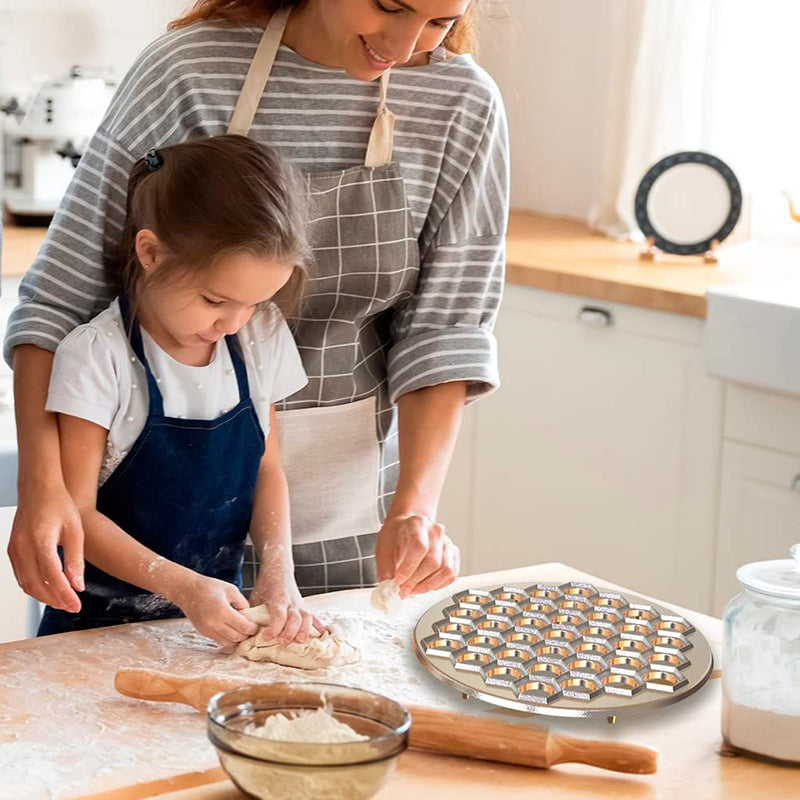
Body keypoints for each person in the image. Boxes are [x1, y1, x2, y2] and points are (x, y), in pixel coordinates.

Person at [5, 0, 509, 620]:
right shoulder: (190, 70)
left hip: (356, 517)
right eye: (390, 6)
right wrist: (42, 487)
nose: (406, 48)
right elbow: (58, 300)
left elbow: (444, 330)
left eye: (439, 22)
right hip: (141, 536)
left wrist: (414, 508)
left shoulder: (461, 103)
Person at [37, 135, 320, 647]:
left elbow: (267, 467)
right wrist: (184, 588)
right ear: (150, 252)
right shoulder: (97, 357)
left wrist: (279, 572)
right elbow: (77, 514)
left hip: (212, 627)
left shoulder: (261, 336)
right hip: (95, 629)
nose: (233, 323)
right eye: (215, 299)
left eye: (255, 302)